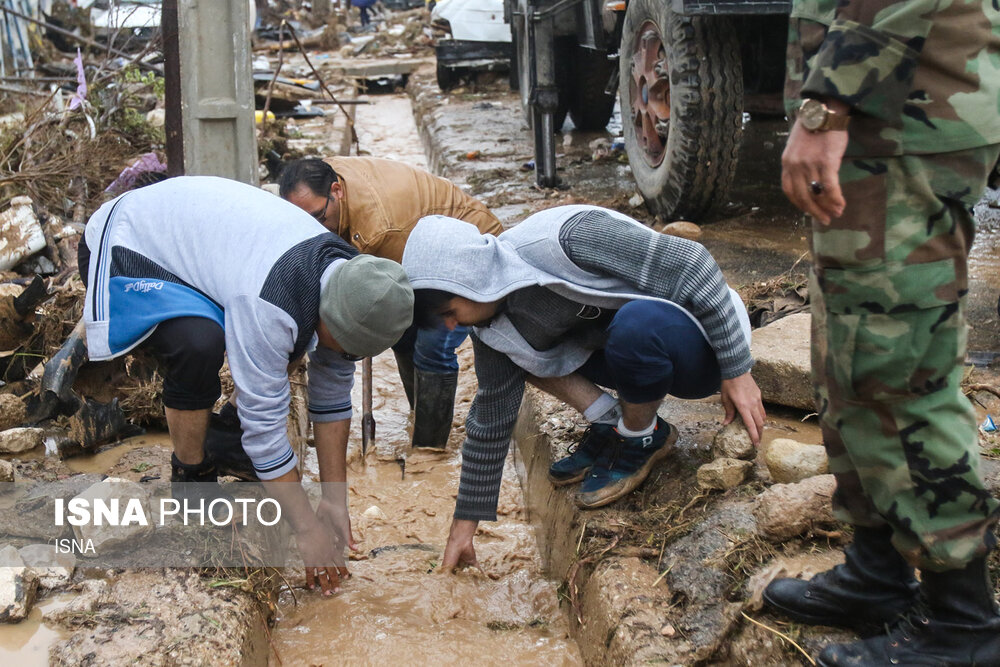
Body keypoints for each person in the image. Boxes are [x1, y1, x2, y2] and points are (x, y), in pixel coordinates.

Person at [762, 1, 1000, 664]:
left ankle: (965, 623)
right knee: (848, 359)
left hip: (905, 113)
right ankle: (877, 571)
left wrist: (828, 104)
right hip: (887, 115)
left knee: (897, 371)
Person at [79, 176, 414, 595]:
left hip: (208, 247)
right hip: (128, 241)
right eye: (343, 345)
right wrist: (306, 529)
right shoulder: (269, 300)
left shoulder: (352, 278)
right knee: (198, 345)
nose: (343, 356)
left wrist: (334, 498)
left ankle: (224, 435)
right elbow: (268, 431)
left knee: (284, 343)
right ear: (331, 315)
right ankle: (191, 475)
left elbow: (331, 395)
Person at [401, 204, 766, 572]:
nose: (450, 327)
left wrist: (737, 369)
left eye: (448, 312)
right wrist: (463, 530)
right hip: (628, 354)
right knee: (517, 354)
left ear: (468, 277)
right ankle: (613, 424)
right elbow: (491, 421)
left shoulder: (563, 240)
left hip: (702, 345)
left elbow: (694, 262)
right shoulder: (490, 328)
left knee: (635, 325)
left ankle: (642, 436)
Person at [277, 156, 503, 451]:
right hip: (421, 242)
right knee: (404, 336)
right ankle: (419, 415)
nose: (312, 227)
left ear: (337, 190)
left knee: (433, 345)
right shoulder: (319, 183)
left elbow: (381, 300)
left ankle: (429, 450)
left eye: (319, 218)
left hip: (466, 251)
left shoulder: (376, 232)